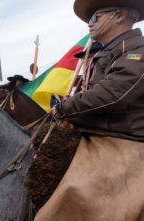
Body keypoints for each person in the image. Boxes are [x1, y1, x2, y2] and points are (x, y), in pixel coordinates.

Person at [52, 1, 144, 140]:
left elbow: (113, 94)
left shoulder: (138, 49)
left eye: (95, 17)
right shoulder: (109, 52)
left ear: (120, 15)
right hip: (96, 131)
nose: (89, 23)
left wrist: (63, 108)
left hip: (123, 137)